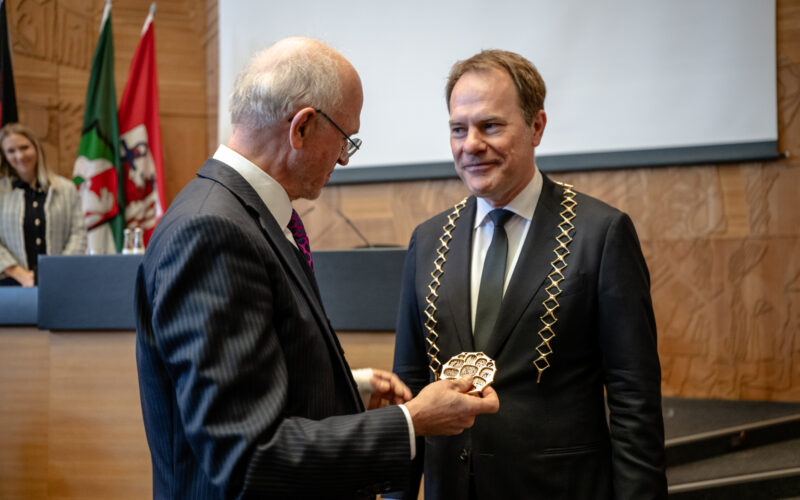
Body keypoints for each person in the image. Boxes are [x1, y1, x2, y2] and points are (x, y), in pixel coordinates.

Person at [135, 37, 499, 499]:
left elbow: (255, 380)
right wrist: (412, 421)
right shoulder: (213, 231)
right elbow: (249, 457)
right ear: (302, 128)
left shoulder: (245, 214)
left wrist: (347, 389)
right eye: (346, 139)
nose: (344, 159)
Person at [392, 50, 667, 499]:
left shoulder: (600, 234)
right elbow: (410, 386)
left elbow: (634, 399)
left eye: (490, 126)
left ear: (536, 126)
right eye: (458, 129)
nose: (471, 144)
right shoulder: (427, 241)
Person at [0, 123, 87, 287]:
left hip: (61, 281)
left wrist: (57, 270)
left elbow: (78, 234)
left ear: (36, 148)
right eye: (11, 151)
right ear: (4, 156)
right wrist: (20, 274)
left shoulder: (66, 189)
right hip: (11, 286)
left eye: (24, 147)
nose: (19, 156)